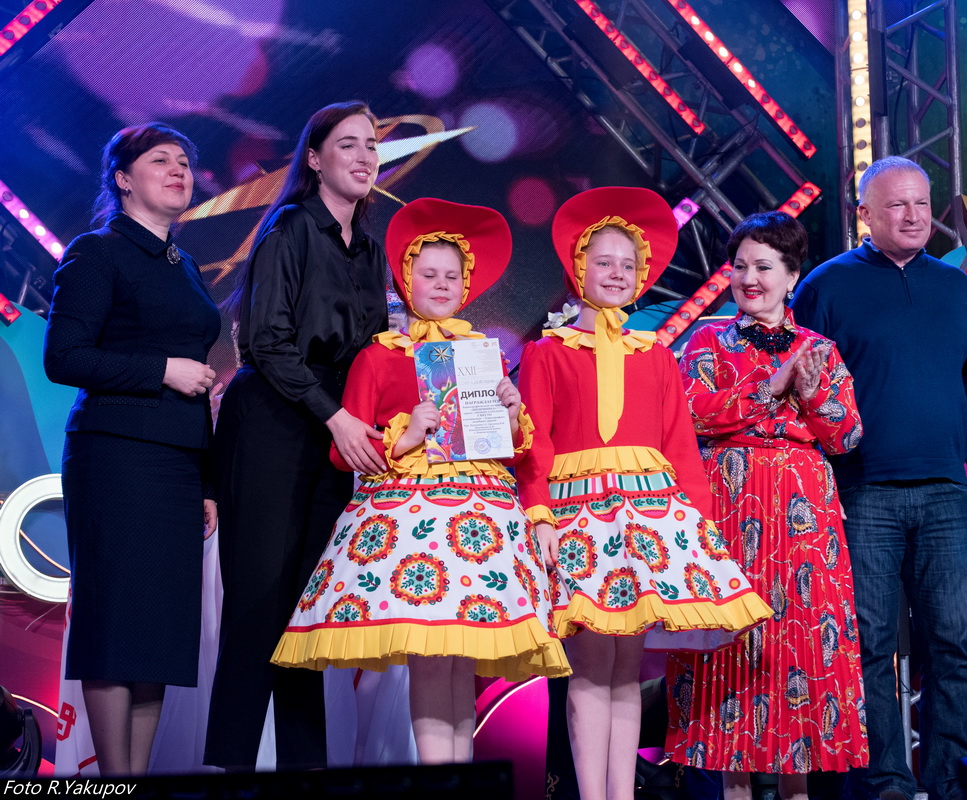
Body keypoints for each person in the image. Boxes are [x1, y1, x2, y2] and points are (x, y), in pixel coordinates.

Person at [272, 197, 570, 763]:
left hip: (480, 523)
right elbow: (343, 452)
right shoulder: (378, 357)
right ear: (405, 280)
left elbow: (507, 450)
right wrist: (407, 435)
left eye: (451, 276)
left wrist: (510, 413)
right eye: (428, 274)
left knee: (460, 664)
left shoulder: (480, 356)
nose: (440, 285)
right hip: (413, 527)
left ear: (466, 285)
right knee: (432, 661)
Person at [517, 186, 772, 800]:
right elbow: (535, 443)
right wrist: (540, 515)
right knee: (588, 666)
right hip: (578, 520)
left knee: (626, 669)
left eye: (627, 265)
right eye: (603, 262)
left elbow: (679, 444)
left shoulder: (655, 356)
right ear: (579, 269)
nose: (616, 273)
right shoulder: (547, 353)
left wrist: (701, 525)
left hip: (645, 519)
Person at [792, 156, 967, 800]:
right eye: (897, 205)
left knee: (952, 645)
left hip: (945, 493)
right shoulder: (826, 286)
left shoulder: (956, 286)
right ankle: (882, 783)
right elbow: (805, 394)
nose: (914, 217)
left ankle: (952, 782)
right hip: (862, 494)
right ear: (864, 213)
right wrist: (822, 488)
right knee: (868, 645)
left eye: (922, 204)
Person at [205, 102, 389, 771]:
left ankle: (305, 770)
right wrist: (335, 414)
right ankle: (228, 767)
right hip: (272, 424)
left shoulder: (371, 249)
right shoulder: (289, 228)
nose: (365, 157)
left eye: (372, 145)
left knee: (306, 619)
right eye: (349, 144)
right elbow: (266, 343)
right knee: (258, 608)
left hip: (331, 437)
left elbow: (376, 356)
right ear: (315, 159)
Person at [666, 212, 868, 800]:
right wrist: (767, 389)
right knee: (734, 643)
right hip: (728, 500)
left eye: (763, 267)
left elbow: (848, 436)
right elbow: (689, 415)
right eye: (740, 266)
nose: (749, 278)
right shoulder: (707, 342)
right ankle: (733, 785)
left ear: (791, 276)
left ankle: (797, 786)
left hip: (803, 507)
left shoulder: (819, 351)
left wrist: (810, 392)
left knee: (800, 641)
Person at [43, 123, 220, 775]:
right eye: (160, 160)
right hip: (116, 458)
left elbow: (195, 375)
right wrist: (161, 370)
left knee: (158, 638)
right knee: (118, 628)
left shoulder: (186, 265)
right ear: (122, 178)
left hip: (177, 464)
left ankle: (136, 780)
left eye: (185, 163)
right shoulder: (98, 251)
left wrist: (206, 482)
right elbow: (64, 357)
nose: (178, 170)